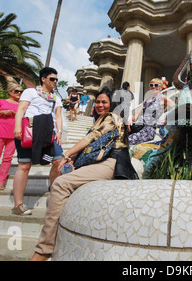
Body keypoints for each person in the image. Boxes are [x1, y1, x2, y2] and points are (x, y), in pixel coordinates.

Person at [29, 87, 138, 261]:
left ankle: (43, 250)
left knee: (60, 183)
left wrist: (66, 155)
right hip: (101, 162)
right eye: (98, 102)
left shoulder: (111, 117)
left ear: (112, 104)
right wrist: (74, 161)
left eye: (104, 102)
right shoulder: (100, 120)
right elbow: (92, 147)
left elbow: (91, 139)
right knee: (57, 191)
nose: (99, 105)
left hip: (113, 163)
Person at [13, 67, 64, 216]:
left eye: (56, 79)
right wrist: (17, 127)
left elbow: (58, 116)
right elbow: (21, 109)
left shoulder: (56, 98)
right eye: (52, 79)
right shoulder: (30, 92)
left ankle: (54, 191)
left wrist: (59, 132)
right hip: (30, 129)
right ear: (43, 79)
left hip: (49, 132)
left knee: (57, 161)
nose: (55, 82)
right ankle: (18, 204)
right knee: (24, 165)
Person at [128, 78, 175, 145]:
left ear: (161, 88)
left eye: (156, 85)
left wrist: (167, 118)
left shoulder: (162, 97)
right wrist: (130, 120)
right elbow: (137, 114)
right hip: (138, 126)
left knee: (128, 140)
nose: (153, 87)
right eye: (151, 85)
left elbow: (175, 107)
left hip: (148, 130)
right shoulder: (146, 99)